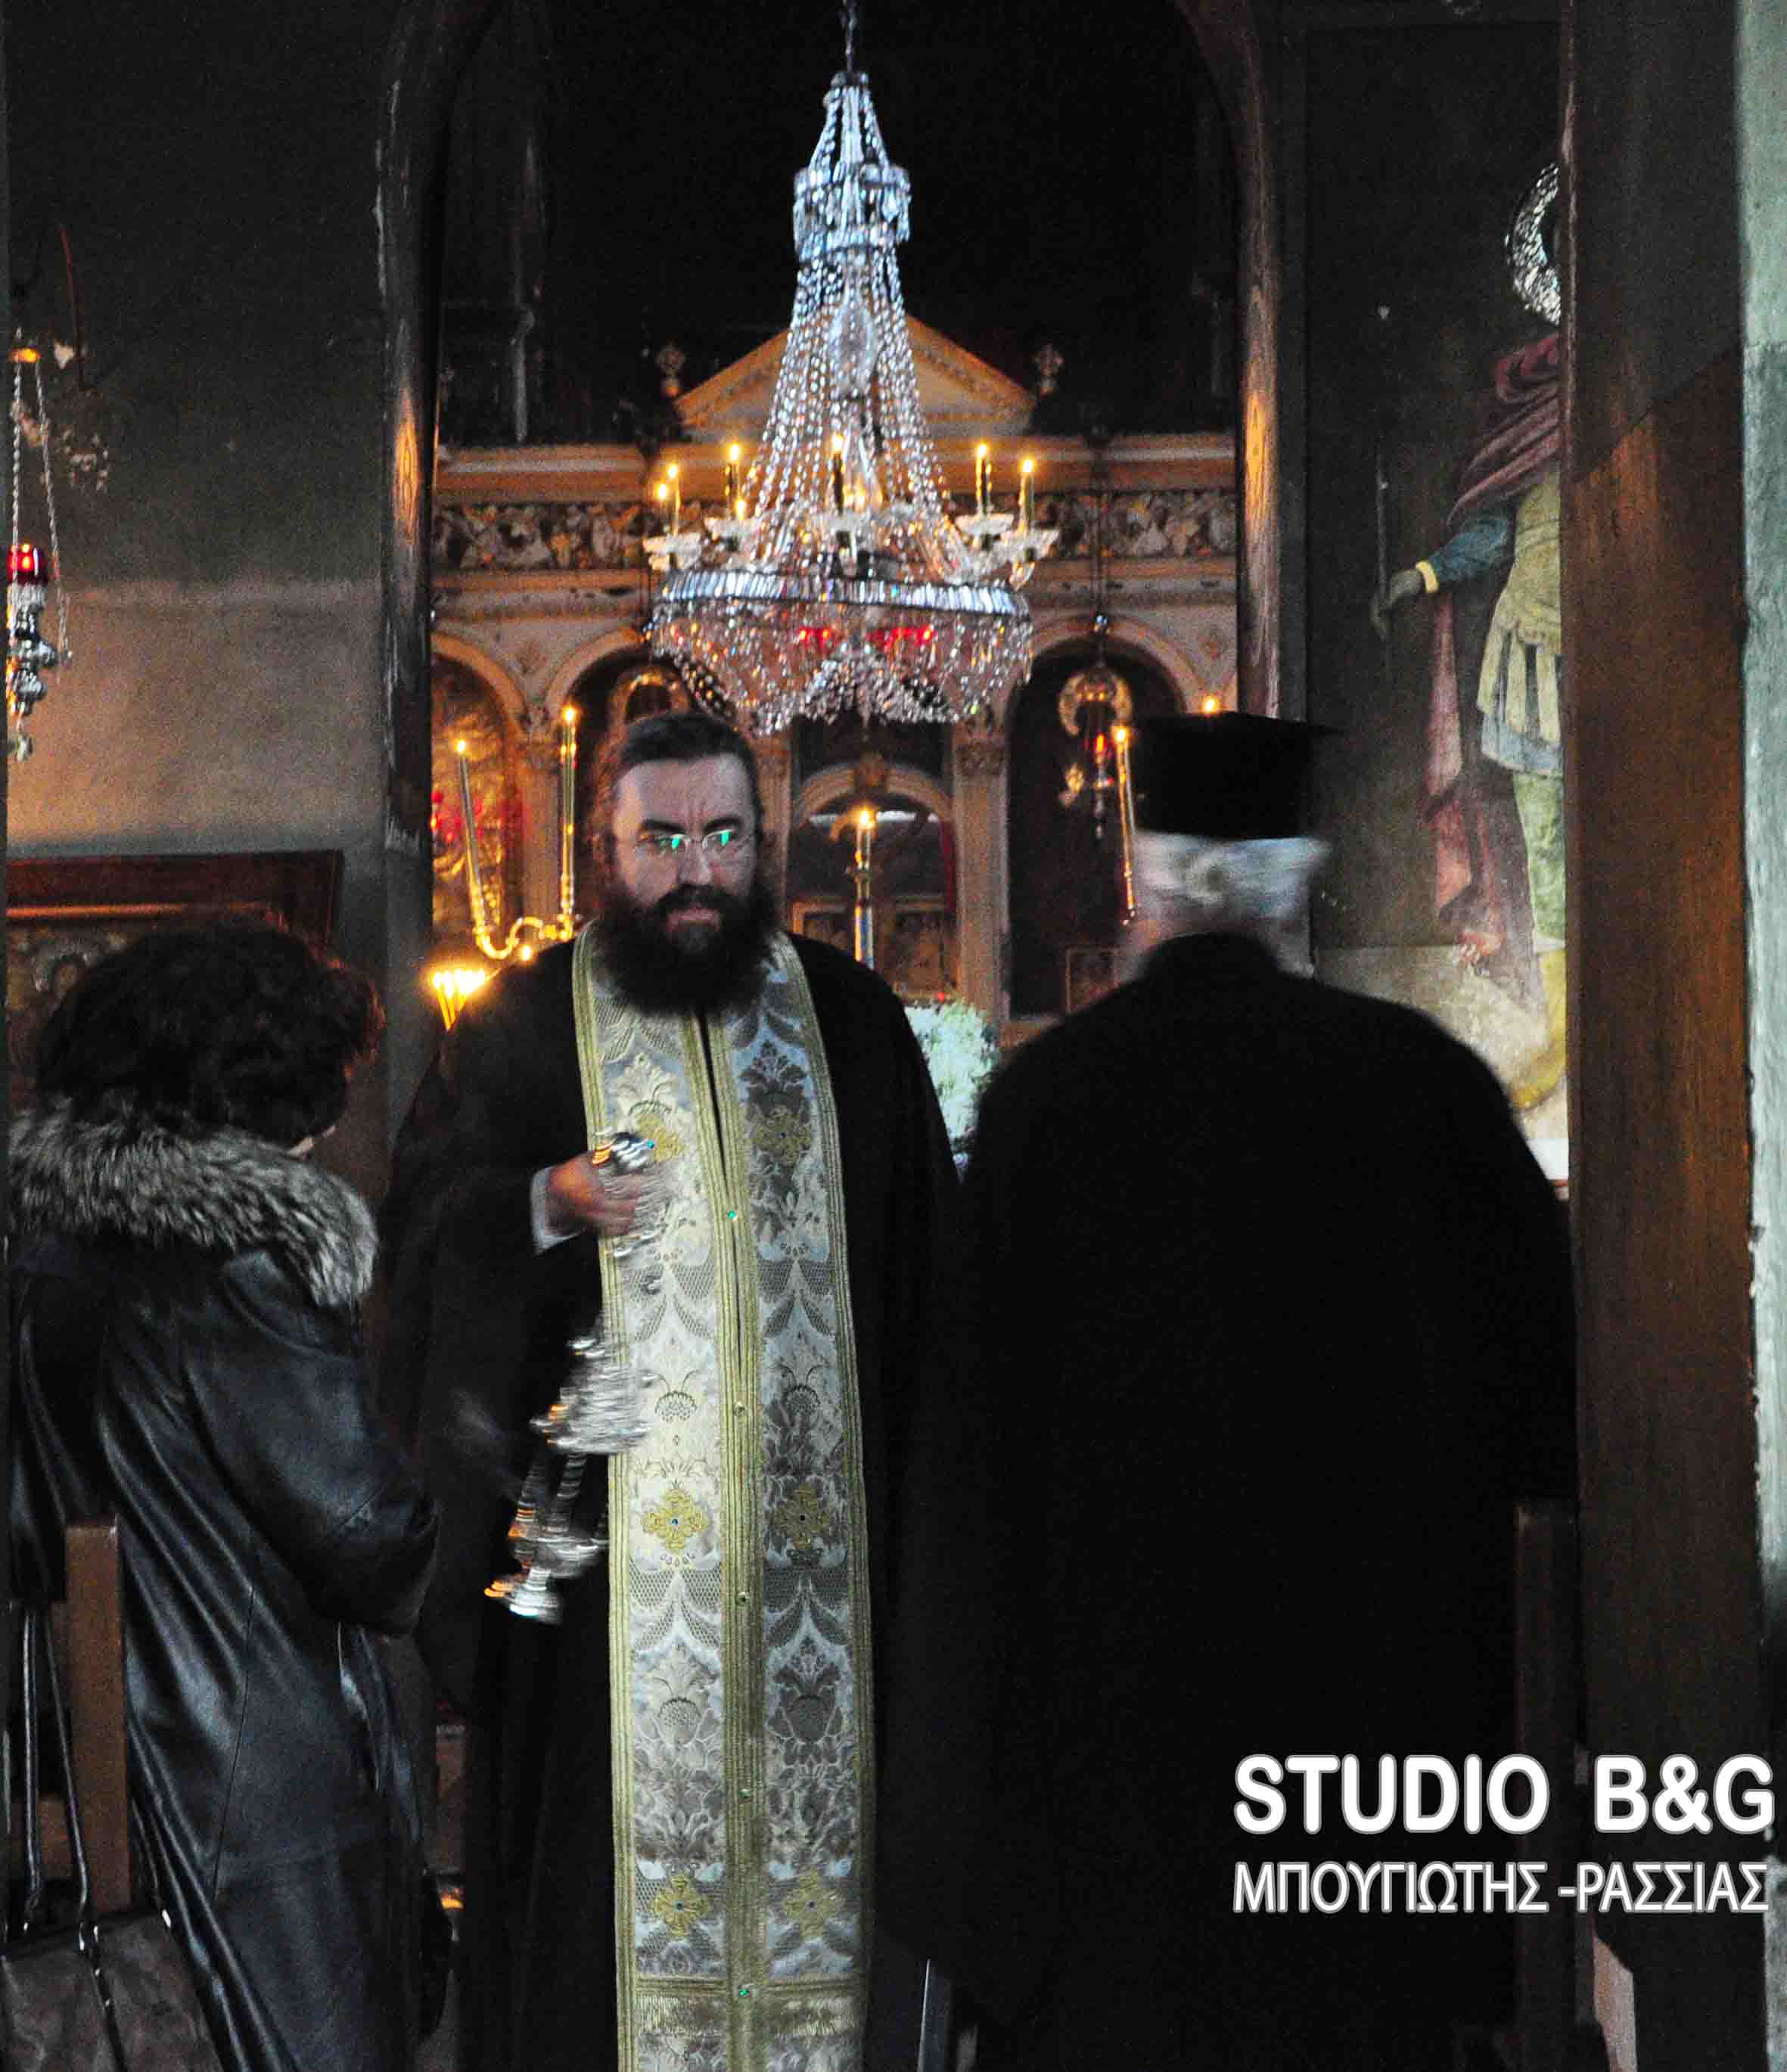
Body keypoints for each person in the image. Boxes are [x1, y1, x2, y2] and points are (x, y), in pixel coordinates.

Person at [877, 714, 1576, 2070]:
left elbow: (963, 1488)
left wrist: (970, 1858)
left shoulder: (1043, 1108)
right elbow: (1543, 1435)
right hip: (1368, 1787)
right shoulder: (1424, 1089)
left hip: (1109, 1805)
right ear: (1297, 876)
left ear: (1143, 882)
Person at [381, 707, 956, 2072]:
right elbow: (419, 1239)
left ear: (763, 846)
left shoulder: (854, 1025)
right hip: (600, 1597)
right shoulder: (524, 1024)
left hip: (829, 1595)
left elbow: (932, 1284)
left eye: (723, 837)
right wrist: (544, 1198)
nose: (694, 871)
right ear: (605, 846)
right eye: (662, 840)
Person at [9, 921, 439, 2072]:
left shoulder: (42, 1257)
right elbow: (373, 1543)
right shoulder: (243, 1269)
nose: (329, 1127)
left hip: (86, 1779)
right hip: (249, 1803)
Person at [1373, 330, 1565, 1112]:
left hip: (1611, 647)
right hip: (1531, 655)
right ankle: (1561, 1035)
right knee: (1542, 849)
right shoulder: (1529, 432)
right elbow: (1491, 535)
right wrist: (1422, 574)